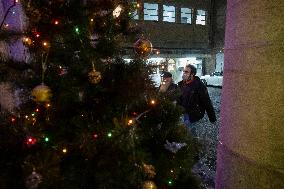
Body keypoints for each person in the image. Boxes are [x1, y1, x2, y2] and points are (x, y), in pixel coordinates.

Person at [177, 64, 216, 137]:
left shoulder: (199, 86)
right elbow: (179, 98)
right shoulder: (181, 84)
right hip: (184, 113)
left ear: (192, 74)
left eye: (186, 72)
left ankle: (193, 145)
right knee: (187, 131)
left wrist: (212, 118)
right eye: (183, 72)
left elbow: (207, 101)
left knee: (190, 132)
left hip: (194, 113)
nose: (184, 74)